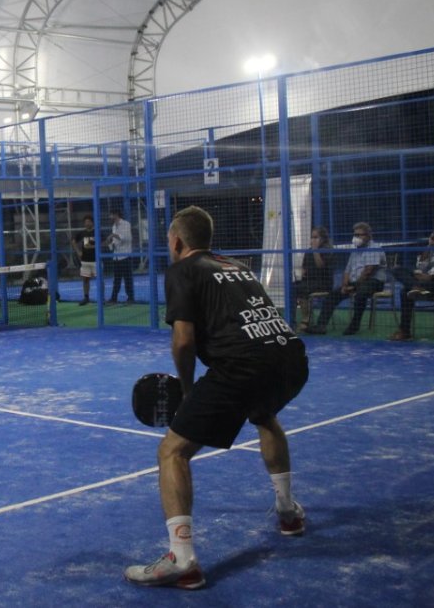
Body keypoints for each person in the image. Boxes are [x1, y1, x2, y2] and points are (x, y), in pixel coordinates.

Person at [125, 206, 308, 590]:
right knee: (264, 416)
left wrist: (189, 389)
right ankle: (288, 512)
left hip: (242, 366)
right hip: (290, 358)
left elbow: (184, 341)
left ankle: (182, 560)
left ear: (176, 241)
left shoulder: (181, 270)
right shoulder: (237, 266)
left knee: (172, 451)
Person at [304, 222, 386, 335]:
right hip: (355, 283)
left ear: (368, 235)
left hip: (373, 282)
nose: (356, 237)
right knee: (332, 295)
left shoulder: (374, 248)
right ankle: (320, 326)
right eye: (355, 234)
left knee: (360, 294)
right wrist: (344, 285)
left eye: (359, 235)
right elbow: (347, 270)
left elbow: (368, 271)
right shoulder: (355, 250)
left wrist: (354, 286)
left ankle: (354, 326)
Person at [389, 217, 434, 341]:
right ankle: (416, 286)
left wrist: (431, 276)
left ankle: (404, 332)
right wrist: (430, 246)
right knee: (396, 269)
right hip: (426, 281)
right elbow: (421, 266)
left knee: (405, 291)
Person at [293, 226, 335, 329]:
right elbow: (304, 268)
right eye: (312, 237)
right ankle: (291, 319)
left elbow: (320, 265)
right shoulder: (308, 251)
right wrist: (302, 273)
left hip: (324, 282)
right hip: (309, 281)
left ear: (323, 238)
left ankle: (306, 319)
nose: (313, 240)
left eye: (316, 237)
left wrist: (315, 250)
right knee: (292, 287)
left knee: (302, 288)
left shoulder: (328, 250)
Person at [107, 209, 134, 303]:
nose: (110, 217)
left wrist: (114, 235)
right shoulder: (113, 226)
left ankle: (130, 298)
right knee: (116, 279)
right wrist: (111, 243)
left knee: (127, 278)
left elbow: (127, 238)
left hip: (125, 255)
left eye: (111, 214)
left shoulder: (126, 224)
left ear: (116, 214)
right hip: (116, 256)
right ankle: (114, 298)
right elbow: (115, 241)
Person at [73, 215, 97, 305]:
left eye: (88, 221)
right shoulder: (82, 233)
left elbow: (104, 243)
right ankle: (86, 297)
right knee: (85, 279)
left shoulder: (97, 232)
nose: (87, 223)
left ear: (92, 222)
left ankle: (101, 298)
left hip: (96, 260)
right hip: (85, 261)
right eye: (85, 222)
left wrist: (93, 246)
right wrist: (78, 251)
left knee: (99, 279)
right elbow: (73, 241)